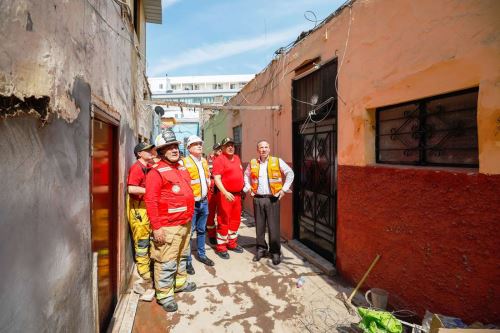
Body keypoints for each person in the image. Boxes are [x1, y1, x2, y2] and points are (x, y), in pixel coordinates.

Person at [144, 130, 196, 312]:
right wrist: (157, 228)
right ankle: (165, 294)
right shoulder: (155, 173)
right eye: (169, 147)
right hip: (168, 226)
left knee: (181, 256)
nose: (174, 150)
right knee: (166, 261)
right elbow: (150, 201)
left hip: (185, 223)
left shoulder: (181, 167)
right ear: (160, 151)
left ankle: (180, 283)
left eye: (175, 146)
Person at [243, 140, 294, 265]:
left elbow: (290, 173)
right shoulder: (253, 163)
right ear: (258, 150)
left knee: (273, 227)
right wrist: (249, 188)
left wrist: (283, 190)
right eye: (261, 147)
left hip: (273, 199)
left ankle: (275, 252)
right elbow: (245, 175)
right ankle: (261, 249)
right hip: (258, 199)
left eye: (266, 147)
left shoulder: (277, 161)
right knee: (259, 226)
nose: (264, 149)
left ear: (269, 149)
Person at [127, 142, 156, 300]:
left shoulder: (148, 166)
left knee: (148, 240)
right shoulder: (137, 167)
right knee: (142, 242)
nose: (150, 152)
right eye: (147, 150)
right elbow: (131, 188)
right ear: (139, 154)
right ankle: (144, 274)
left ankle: (147, 267)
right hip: (139, 210)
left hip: (146, 208)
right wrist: (150, 191)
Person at [182, 135, 215, 275]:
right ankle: (187, 261)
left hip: (203, 202)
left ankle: (201, 255)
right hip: (191, 204)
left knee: (202, 231)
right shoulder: (184, 162)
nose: (199, 146)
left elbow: (207, 178)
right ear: (189, 148)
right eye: (195, 144)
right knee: (189, 234)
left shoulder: (204, 161)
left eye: (200, 143)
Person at [212, 137, 245, 259]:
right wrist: (225, 192)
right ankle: (221, 247)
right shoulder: (219, 160)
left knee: (235, 220)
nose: (231, 147)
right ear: (222, 148)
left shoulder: (236, 158)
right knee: (224, 220)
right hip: (225, 195)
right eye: (227, 145)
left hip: (237, 195)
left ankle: (232, 243)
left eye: (232, 145)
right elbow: (217, 178)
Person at [206, 142, 222, 245]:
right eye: (217, 149)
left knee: (222, 214)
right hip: (211, 189)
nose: (219, 151)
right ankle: (211, 234)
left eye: (221, 149)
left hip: (222, 189)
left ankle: (221, 234)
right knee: (211, 213)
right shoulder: (210, 159)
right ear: (214, 150)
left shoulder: (225, 159)